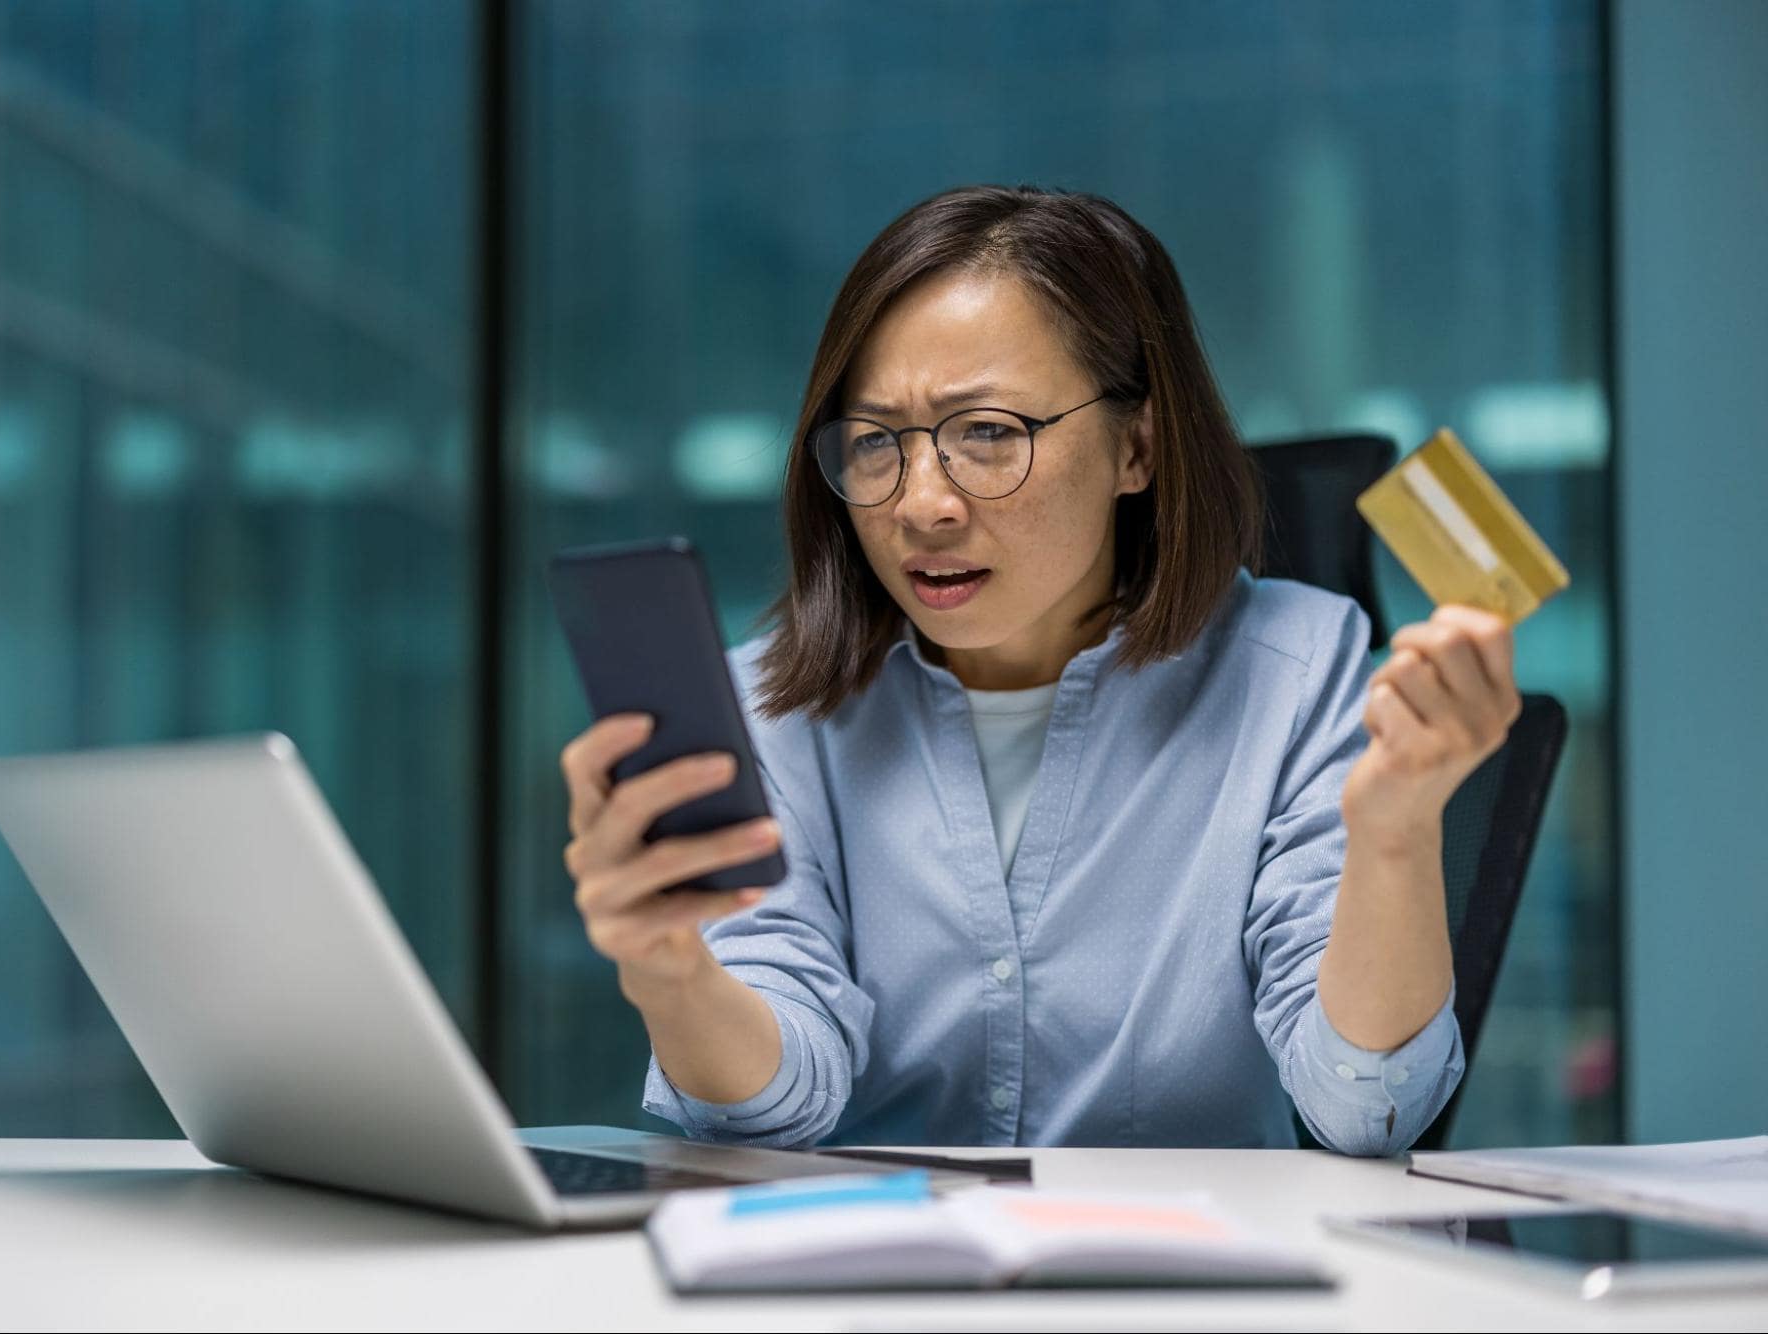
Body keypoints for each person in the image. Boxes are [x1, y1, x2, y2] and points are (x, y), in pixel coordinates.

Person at [559, 185, 1514, 1154]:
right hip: (875, 1279)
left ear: (1135, 446)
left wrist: (1394, 834)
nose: (922, 504)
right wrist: (668, 967)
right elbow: (772, 1107)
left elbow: (1364, 1107)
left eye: (987, 433)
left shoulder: (1298, 671)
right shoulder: (771, 706)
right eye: (876, 441)